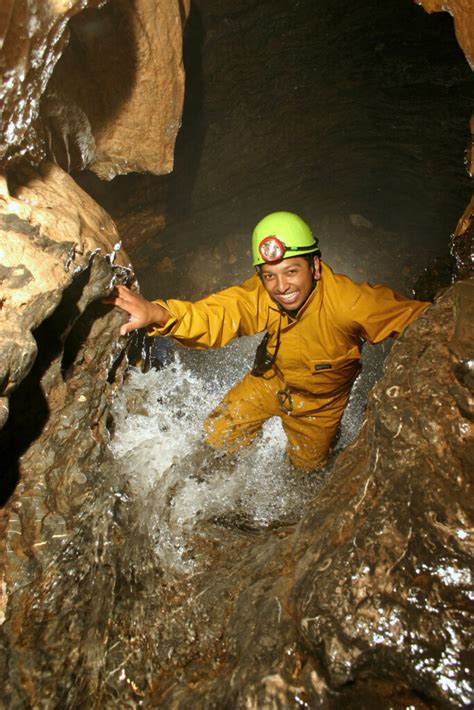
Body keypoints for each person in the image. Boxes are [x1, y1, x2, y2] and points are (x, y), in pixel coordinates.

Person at [106, 211, 429, 471]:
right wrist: (158, 313)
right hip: (268, 382)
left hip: (319, 406)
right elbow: (217, 315)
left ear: (314, 266)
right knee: (216, 438)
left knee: (305, 471)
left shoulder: (352, 303)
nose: (281, 286)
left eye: (291, 271)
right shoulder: (263, 295)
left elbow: (427, 320)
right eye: (270, 275)